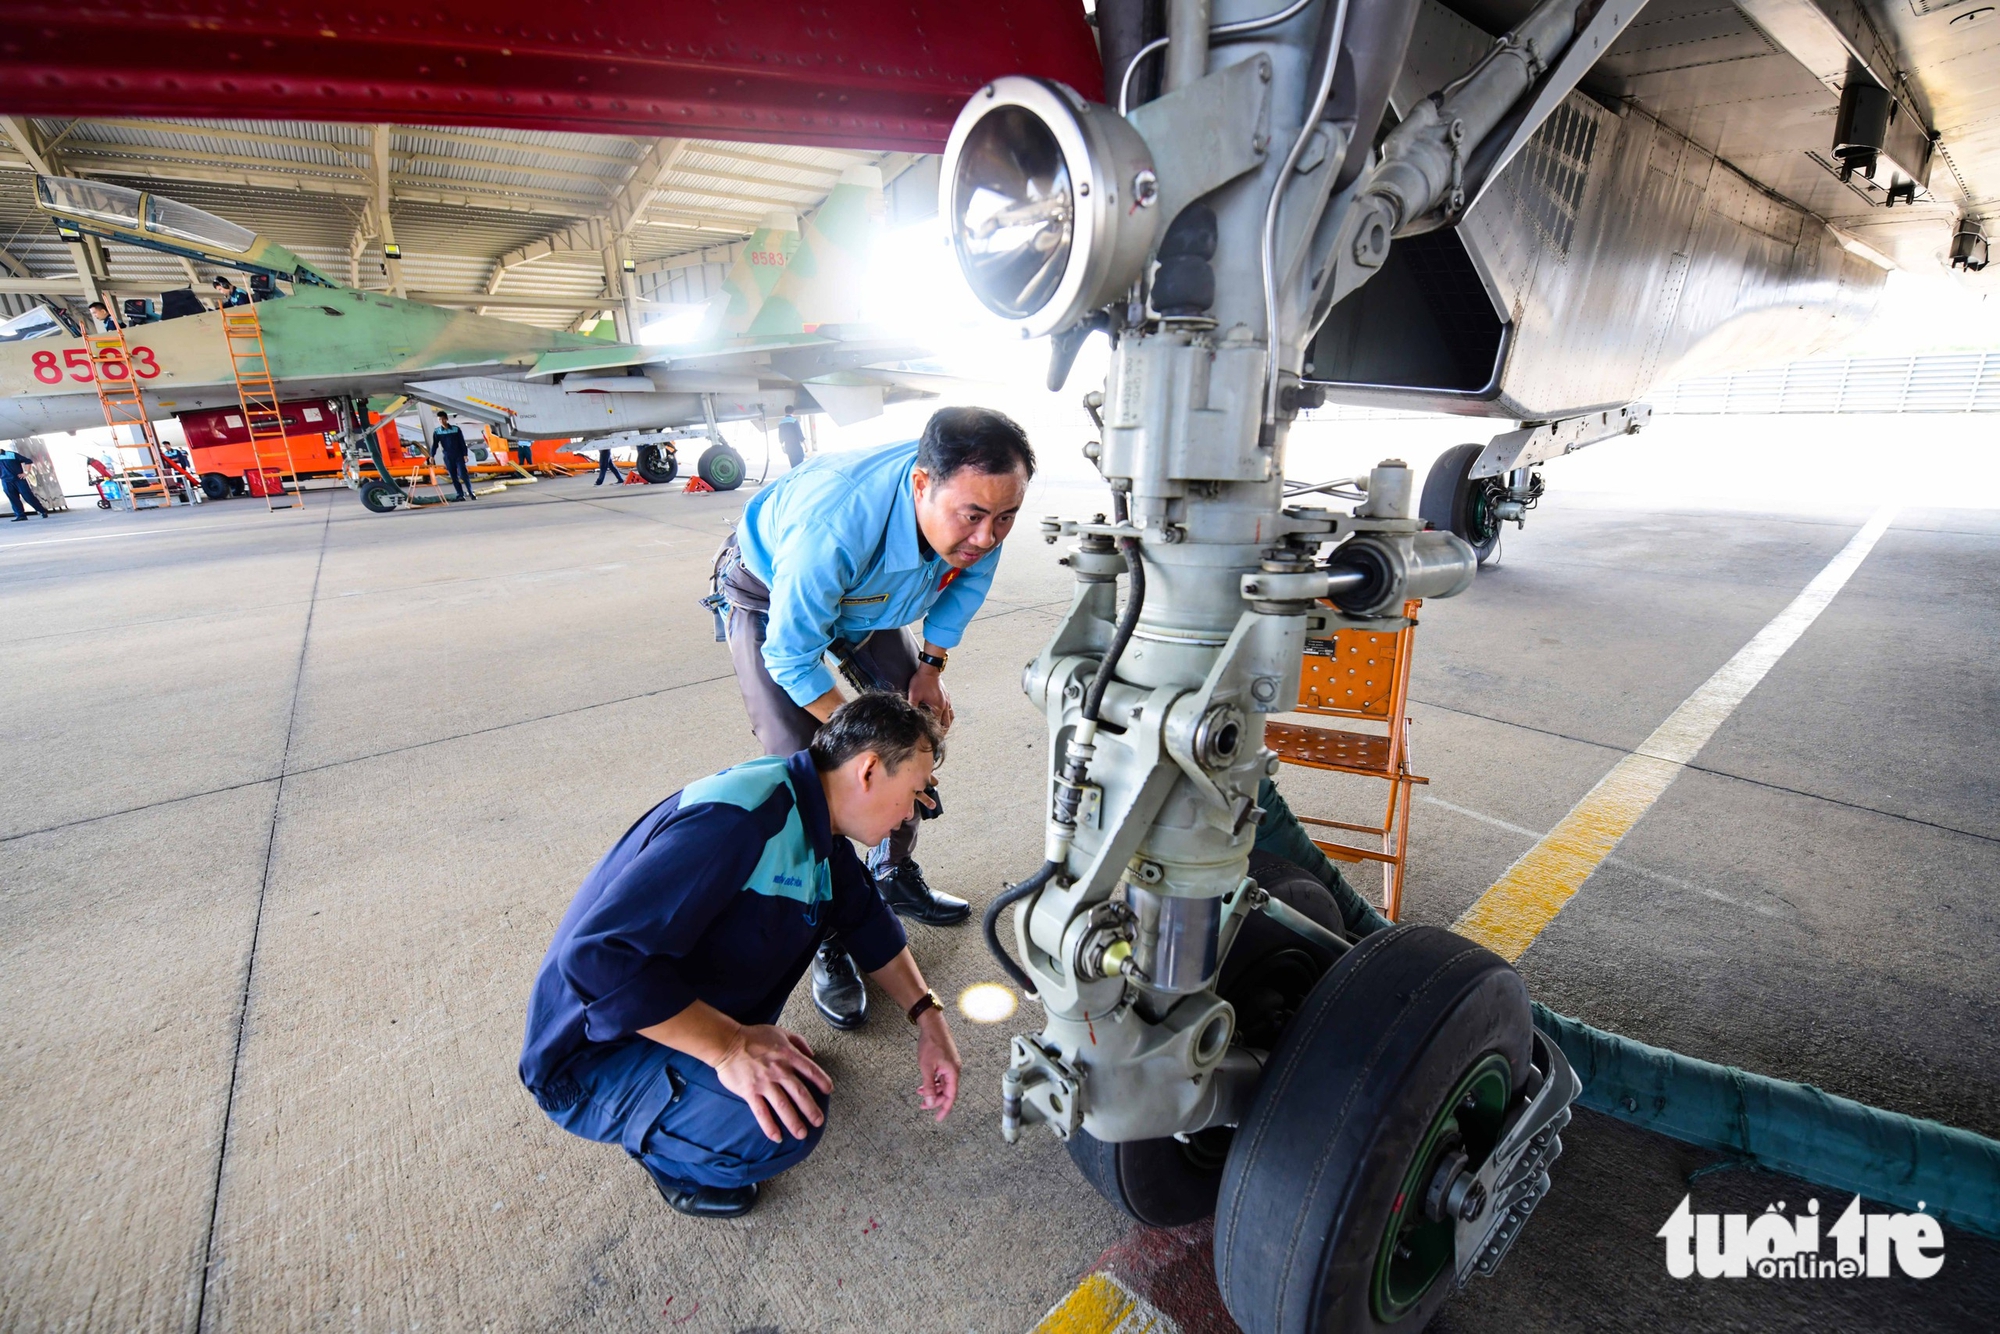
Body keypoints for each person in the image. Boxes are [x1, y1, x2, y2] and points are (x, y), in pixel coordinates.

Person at [520, 694, 961, 1219]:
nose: (912, 813)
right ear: (868, 769)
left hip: (649, 1018)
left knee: (787, 1076)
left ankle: (701, 1064)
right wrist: (730, 1047)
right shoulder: (741, 823)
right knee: (787, 1122)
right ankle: (670, 1155)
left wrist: (929, 1019)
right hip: (591, 1057)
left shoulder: (811, 814)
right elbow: (597, 958)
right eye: (912, 794)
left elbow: (870, 924)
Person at [716, 406, 1033, 1029]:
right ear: (921, 485)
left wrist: (931, 667)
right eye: (973, 517)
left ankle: (892, 873)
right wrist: (855, 731)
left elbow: (967, 580)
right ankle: (827, 931)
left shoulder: (982, 511)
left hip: (871, 603)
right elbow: (791, 651)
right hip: (772, 597)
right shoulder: (834, 524)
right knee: (807, 769)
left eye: (1006, 517)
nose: (989, 535)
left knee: (916, 736)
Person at [429, 410, 476, 501]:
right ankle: (460, 495)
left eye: (443, 419)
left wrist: (465, 454)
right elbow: (435, 444)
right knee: (453, 476)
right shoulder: (437, 432)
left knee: (463, 474)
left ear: (446, 419)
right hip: (448, 456)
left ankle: (471, 493)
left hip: (458, 455)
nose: (442, 421)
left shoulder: (456, 429)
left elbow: (462, 442)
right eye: (439, 420)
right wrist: (432, 455)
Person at [0, 445, 50, 520]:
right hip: (6, 481)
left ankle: (42, 511)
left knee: (28, 497)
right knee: (13, 499)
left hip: (19, 479)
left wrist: (26, 472)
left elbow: (28, 461)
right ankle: (20, 515)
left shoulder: (11, 454)